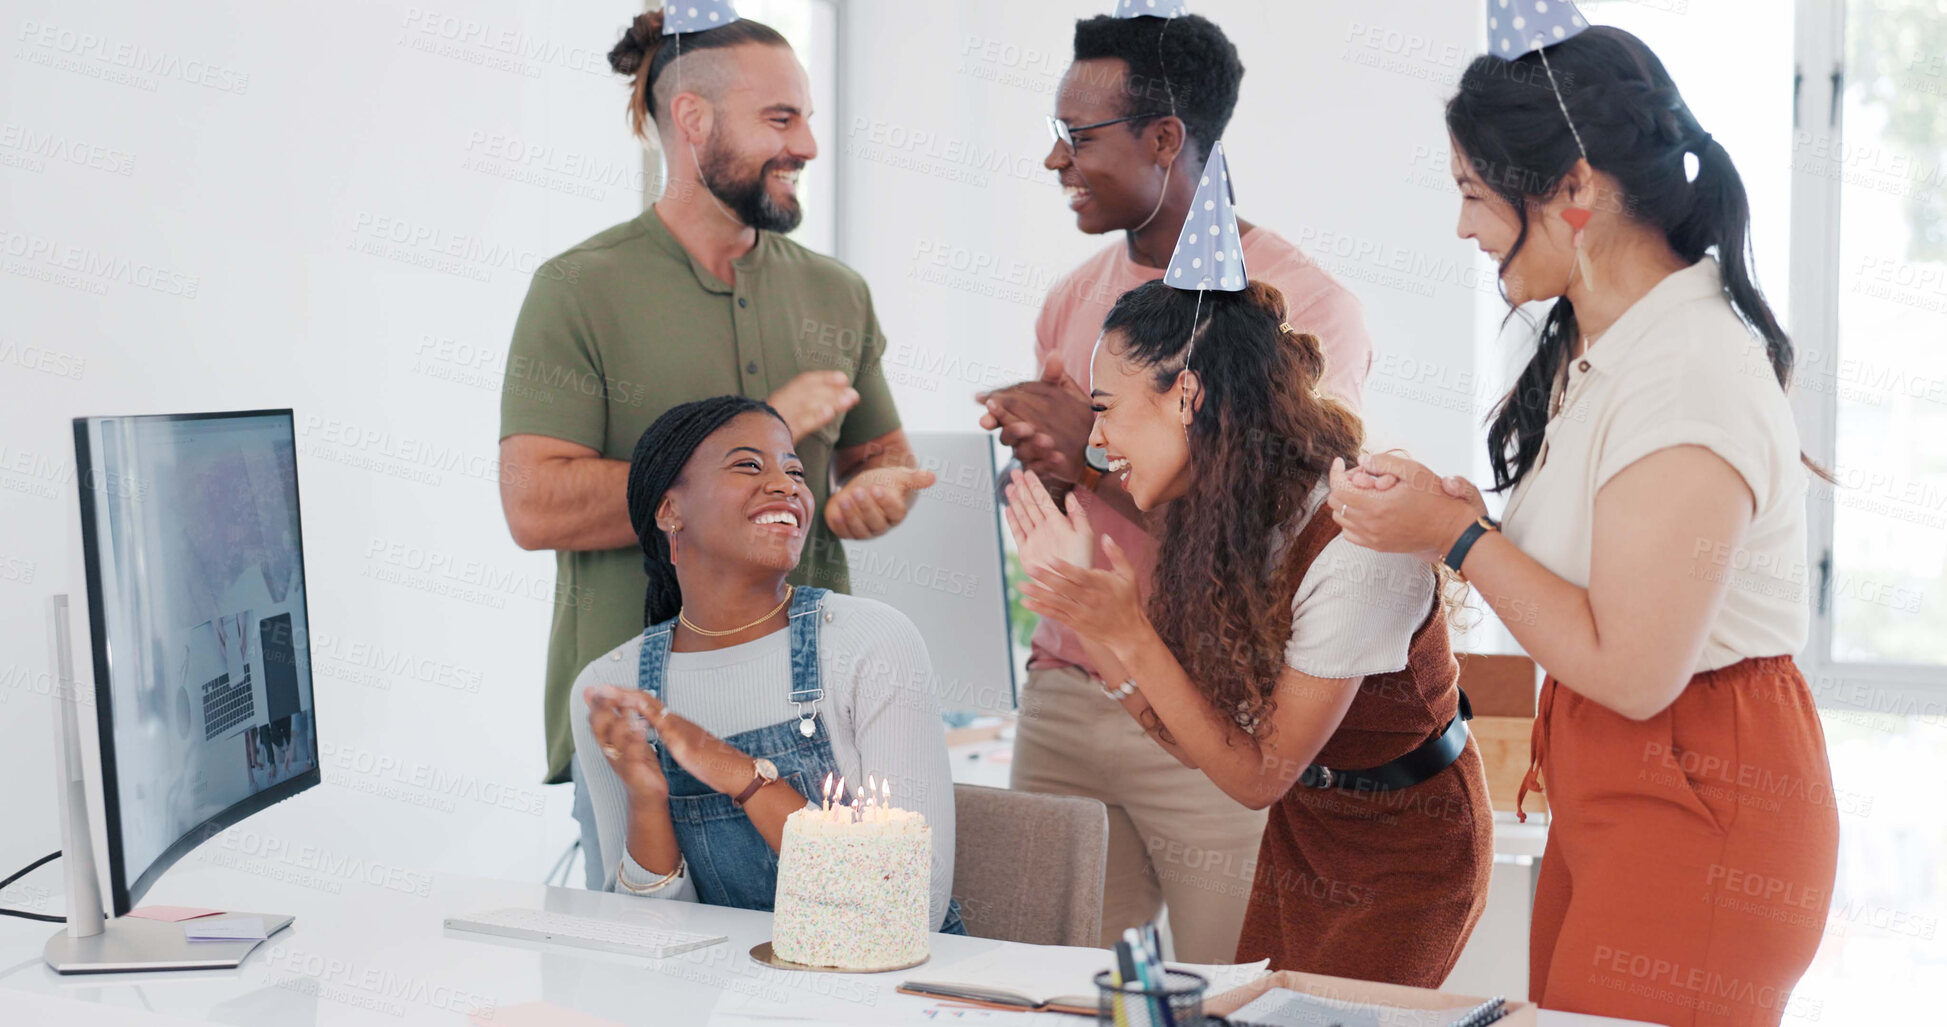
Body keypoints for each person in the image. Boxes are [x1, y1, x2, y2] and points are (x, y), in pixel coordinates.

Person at [1328, 26, 1837, 1025]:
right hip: (1619, 792)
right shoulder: (1615, 349)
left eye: (1476, 193)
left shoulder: (1687, 367)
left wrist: (1457, 537)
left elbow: (1636, 666)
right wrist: (1464, 517)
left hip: (1700, 798)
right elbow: (1605, 584)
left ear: (1572, 190)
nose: (1465, 229)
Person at [498, 6, 933, 888]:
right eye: (780, 119)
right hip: (641, 727)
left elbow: (878, 455)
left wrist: (877, 491)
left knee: (858, 936)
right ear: (693, 122)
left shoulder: (835, 292)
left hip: (822, 713)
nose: (807, 144)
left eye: (806, 117)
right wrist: (749, 433)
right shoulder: (579, 290)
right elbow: (533, 503)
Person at [981, 10, 1376, 963]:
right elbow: (1078, 501)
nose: (1054, 160)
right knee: (1033, 984)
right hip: (1069, 693)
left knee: (1232, 987)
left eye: (1078, 138)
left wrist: (1088, 454)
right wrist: (1036, 461)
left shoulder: (1306, 308)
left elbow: (1289, 516)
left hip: (1215, 702)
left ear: (1165, 140)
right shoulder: (1071, 298)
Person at [1007, 277, 1491, 985]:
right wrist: (1090, 614)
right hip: (1308, 824)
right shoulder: (1223, 520)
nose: (1097, 439)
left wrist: (1126, 629)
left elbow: (1256, 774)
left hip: (1406, 849)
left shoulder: (1355, 544)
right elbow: (1197, 737)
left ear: (1186, 397)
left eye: (1104, 410)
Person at [569, 396, 964, 932]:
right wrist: (647, 801)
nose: (787, 486)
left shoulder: (871, 642)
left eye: (795, 470)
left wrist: (740, 776)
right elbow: (641, 939)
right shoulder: (609, 688)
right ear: (669, 511)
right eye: (749, 465)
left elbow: (911, 910)